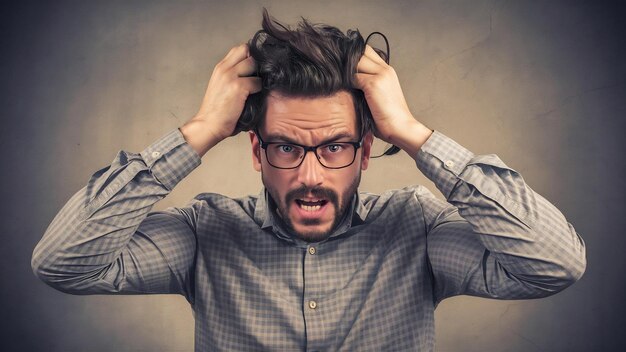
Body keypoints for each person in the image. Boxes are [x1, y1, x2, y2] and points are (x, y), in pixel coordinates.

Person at [31, 9, 586, 351]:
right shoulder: (206, 233)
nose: (310, 174)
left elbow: (556, 264)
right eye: (287, 147)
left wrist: (414, 133)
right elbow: (61, 263)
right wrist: (199, 131)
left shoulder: (415, 228)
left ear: (366, 150)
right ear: (256, 149)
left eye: (335, 146)